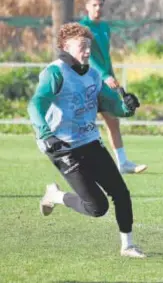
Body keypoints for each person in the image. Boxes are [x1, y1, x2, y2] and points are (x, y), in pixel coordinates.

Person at [28, 22, 146, 258]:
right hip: (62, 147)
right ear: (66, 46)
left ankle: (128, 246)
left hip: (90, 140)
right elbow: (36, 104)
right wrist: (46, 134)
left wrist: (126, 107)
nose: (88, 51)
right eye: (82, 46)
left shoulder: (92, 73)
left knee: (121, 193)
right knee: (97, 208)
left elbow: (108, 104)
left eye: (89, 46)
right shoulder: (56, 72)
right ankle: (56, 196)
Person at [80, 0, 147, 174]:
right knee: (86, 124)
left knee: (113, 122)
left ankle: (123, 163)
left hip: (105, 80)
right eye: (94, 5)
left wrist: (110, 75)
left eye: (100, 5)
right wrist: (103, 75)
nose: (98, 8)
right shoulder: (82, 28)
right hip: (88, 81)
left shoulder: (104, 27)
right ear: (87, 7)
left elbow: (105, 57)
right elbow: (88, 57)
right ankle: (83, 165)